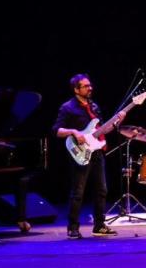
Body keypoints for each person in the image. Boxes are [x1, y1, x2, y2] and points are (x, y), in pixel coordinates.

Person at [53, 74, 124, 238]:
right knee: (78, 192)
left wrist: (117, 122)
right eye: (85, 86)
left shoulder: (94, 106)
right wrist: (73, 131)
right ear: (76, 89)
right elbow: (57, 130)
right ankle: (73, 228)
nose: (90, 88)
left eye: (90, 85)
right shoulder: (67, 108)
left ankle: (99, 226)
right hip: (80, 153)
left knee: (101, 190)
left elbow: (101, 130)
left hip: (97, 151)